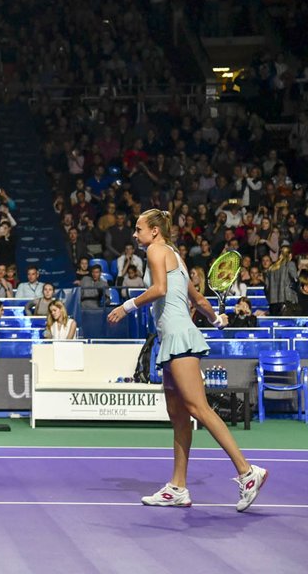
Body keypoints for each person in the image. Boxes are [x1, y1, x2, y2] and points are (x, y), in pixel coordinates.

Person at [108, 209, 267, 512]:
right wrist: (216, 319)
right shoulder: (177, 257)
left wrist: (126, 306)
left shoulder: (155, 250)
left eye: (139, 229)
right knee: (178, 415)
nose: (135, 234)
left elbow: (160, 289)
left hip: (179, 337)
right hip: (170, 340)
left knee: (198, 408)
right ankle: (178, 487)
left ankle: (248, 472)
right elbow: (199, 300)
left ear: (155, 231)